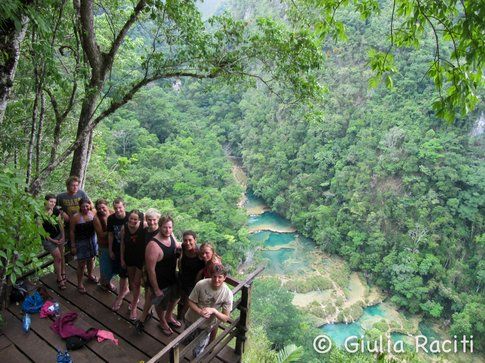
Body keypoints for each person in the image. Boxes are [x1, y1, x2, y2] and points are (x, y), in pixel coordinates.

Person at [184, 264, 233, 358]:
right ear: (211, 275)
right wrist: (199, 311)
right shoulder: (201, 284)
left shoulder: (227, 293)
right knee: (186, 340)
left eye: (220, 277)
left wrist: (214, 311)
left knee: (198, 350)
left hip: (207, 325)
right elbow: (190, 301)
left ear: (224, 278)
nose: (217, 280)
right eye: (214, 276)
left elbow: (225, 318)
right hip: (191, 319)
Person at [144, 216, 181, 336]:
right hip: (160, 281)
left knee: (175, 297)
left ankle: (169, 316)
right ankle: (162, 321)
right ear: (159, 227)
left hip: (171, 276)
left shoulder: (171, 236)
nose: (167, 230)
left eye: (170, 227)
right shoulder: (153, 245)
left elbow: (176, 247)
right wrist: (156, 289)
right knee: (161, 304)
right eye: (165, 227)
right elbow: (150, 269)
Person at [135, 208, 161, 334]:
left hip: (156, 266)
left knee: (150, 291)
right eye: (149, 220)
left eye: (154, 220)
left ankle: (143, 317)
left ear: (158, 220)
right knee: (146, 288)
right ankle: (148, 310)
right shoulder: (145, 230)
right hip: (144, 263)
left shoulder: (161, 232)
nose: (152, 222)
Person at [119, 210, 146, 320]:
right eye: (131, 218)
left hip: (140, 258)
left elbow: (155, 229)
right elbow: (122, 245)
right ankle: (135, 298)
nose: (133, 221)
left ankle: (134, 306)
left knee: (136, 282)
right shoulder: (124, 228)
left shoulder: (143, 226)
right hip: (129, 257)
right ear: (128, 218)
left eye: (135, 219)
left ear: (139, 219)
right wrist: (122, 259)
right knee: (131, 281)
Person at [70, 198, 100, 294]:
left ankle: (90, 275)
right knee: (81, 264)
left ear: (90, 206)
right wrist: (73, 245)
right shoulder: (76, 217)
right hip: (81, 242)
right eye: (83, 206)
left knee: (91, 259)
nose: (85, 208)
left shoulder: (93, 213)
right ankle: (79, 283)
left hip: (92, 240)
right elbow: (72, 231)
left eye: (87, 206)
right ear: (80, 206)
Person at [41, 193, 67, 290]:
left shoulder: (55, 210)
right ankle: (59, 278)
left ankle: (62, 271)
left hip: (59, 236)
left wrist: (63, 236)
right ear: (45, 201)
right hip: (48, 240)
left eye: (54, 202)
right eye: (51, 201)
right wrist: (54, 241)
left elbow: (60, 223)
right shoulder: (39, 214)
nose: (52, 204)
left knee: (61, 255)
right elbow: (42, 232)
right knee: (58, 257)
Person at [177, 231, 205, 320]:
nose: (187, 243)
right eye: (185, 240)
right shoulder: (183, 247)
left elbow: (209, 259)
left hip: (193, 284)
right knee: (181, 301)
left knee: (187, 305)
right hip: (182, 279)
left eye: (190, 240)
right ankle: (179, 319)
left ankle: (184, 327)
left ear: (195, 240)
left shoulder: (200, 253)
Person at [107, 197, 129, 311]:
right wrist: (110, 250)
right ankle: (123, 292)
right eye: (115, 208)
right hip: (117, 248)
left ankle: (124, 293)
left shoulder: (131, 217)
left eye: (120, 207)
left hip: (130, 250)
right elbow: (110, 235)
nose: (118, 210)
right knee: (122, 272)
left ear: (124, 206)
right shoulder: (111, 219)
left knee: (130, 273)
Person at [56, 176, 89, 248]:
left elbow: (89, 204)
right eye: (73, 185)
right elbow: (56, 208)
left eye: (77, 185)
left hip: (82, 223)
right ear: (68, 186)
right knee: (70, 245)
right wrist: (62, 213)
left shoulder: (81, 193)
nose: (75, 187)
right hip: (68, 224)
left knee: (85, 244)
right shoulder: (60, 196)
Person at [94, 199, 116, 293]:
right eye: (99, 209)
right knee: (105, 266)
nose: (101, 210)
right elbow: (101, 234)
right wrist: (113, 230)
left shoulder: (112, 212)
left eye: (103, 207)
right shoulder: (96, 218)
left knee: (112, 265)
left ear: (107, 206)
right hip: (104, 246)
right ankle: (104, 283)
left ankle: (106, 281)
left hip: (114, 244)